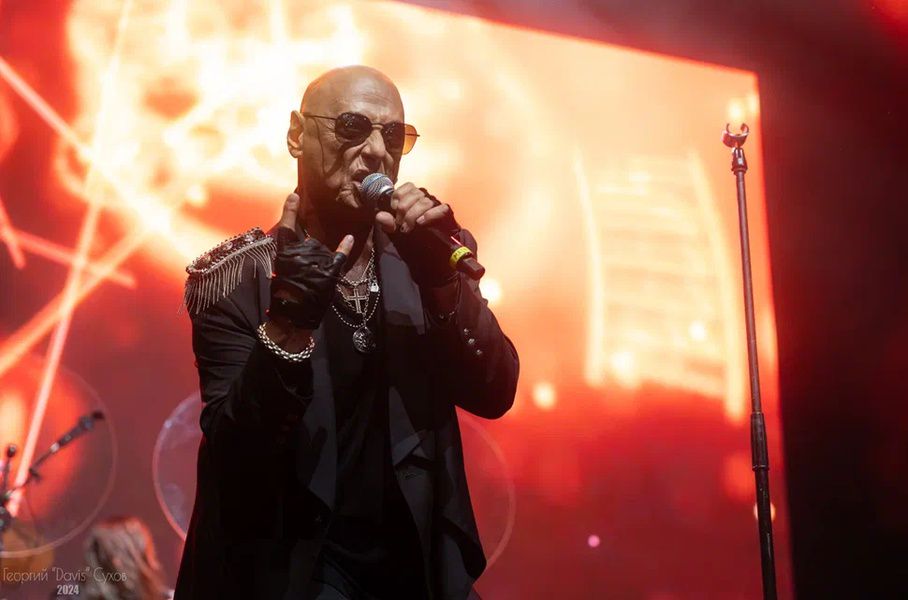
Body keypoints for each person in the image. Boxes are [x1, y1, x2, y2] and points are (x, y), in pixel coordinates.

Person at [174, 65, 519, 600]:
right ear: (297, 135)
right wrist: (287, 325)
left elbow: (494, 392)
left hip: (412, 571)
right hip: (291, 573)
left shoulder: (425, 256)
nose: (377, 151)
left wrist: (442, 285)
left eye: (393, 135)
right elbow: (236, 458)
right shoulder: (237, 279)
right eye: (352, 127)